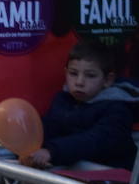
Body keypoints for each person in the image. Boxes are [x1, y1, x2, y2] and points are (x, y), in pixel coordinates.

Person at [25, 41, 138, 170]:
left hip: (113, 182)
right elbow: (49, 127)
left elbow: (95, 140)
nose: (79, 82)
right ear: (65, 72)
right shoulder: (62, 100)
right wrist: (28, 146)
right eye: (73, 73)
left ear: (107, 80)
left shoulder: (118, 109)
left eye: (90, 76)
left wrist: (52, 151)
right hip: (71, 182)